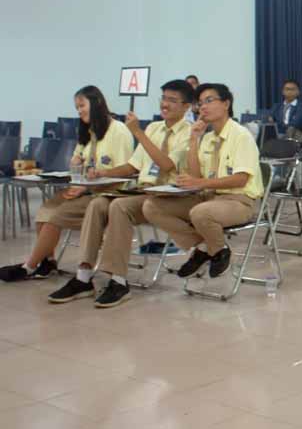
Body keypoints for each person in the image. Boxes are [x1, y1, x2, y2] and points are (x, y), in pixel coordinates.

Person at [46, 80, 194, 307]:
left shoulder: (189, 132)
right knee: (97, 204)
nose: (165, 104)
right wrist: (105, 173)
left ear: (186, 106)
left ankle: (118, 280)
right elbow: (132, 167)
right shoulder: (154, 128)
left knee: (118, 206)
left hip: (166, 196)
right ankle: (84, 276)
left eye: (172, 100)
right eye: (163, 98)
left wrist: (138, 132)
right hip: (142, 190)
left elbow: (165, 165)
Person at [0, 86, 134, 282]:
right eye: (76, 108)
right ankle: (49, 261)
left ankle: (28, 266)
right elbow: (76, 162)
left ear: (96, 104)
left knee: (56, 216)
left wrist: (88, 185)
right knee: (45, 211)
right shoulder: (88, 131)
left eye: (82, 106)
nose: (79, 111)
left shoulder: (118, 131)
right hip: (85, 190)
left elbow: (125, 171)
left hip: (107, 194)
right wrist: (76, 167)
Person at [142, 83, 264, 280]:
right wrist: (193, 140)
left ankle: (218, 250)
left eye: (209, 101)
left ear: (226, 103)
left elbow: (241, 179)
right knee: (151, 207)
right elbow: (196, 174)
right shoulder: (207, 138)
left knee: (200, 213)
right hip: (208, 198)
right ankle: (205, 247)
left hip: (238, 201)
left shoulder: (241, 135)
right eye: (200, 103)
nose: (203, 107)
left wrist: (200, 183)